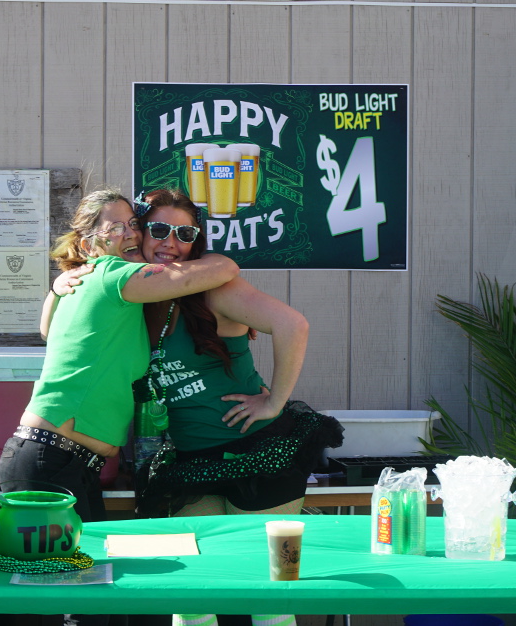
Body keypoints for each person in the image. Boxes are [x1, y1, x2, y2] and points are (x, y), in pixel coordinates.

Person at [53, 188, 342, 626]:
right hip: (192, 461)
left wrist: (274, 401)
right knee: (192, 595)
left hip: (257, 451)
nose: (171, 242)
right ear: (139, 233)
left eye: (184, 234)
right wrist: (59, 284)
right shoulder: (132, 294)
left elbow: (292, 324)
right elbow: (56, 327)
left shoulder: (214, 290)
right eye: (159, 229)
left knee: (267, 594)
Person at [0, 187, 239, 525]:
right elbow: (225, 269)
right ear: (87, 245)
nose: (131, 234)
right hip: (49, 460)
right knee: (67, 560)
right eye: (115, 228)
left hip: (61, 460)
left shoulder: (95, 283)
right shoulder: (115, 276)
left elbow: (46, 331)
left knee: (88, 557)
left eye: (133, 224)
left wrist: (56, 288)